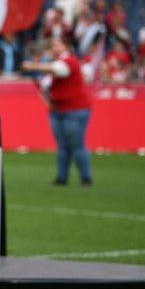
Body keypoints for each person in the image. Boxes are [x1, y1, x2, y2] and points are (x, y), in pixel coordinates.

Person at [22, 37, 93, 186]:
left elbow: (59, 70)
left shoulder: (70, 61)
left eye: (58, 45)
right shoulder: (54, 64)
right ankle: (62, 177)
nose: (55, 48)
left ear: (66, 46)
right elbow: (45, 87)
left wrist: (34, 66)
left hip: (75, 109)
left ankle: (85, 177)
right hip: (59, 109)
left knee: (76, 144)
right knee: (62, 145)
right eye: (52, 45)